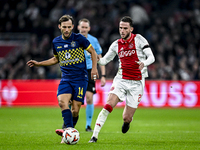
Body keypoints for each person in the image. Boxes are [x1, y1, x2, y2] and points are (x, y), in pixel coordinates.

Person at [26, 14, 99, 143]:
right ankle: (68, 131)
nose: (66, 29)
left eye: (69, 27)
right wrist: (39, 63)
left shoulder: (79, 39)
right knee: (62, 102)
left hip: (80, 79)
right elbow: (56, 59)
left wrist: (94, 69)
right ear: (59, 26)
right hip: (66, 78)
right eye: (64, 27)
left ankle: (68, 130)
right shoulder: (56, 42)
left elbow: (93, 52)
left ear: (72, 27)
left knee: (75, 110)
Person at [88, 16, 155, 143]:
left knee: (126, 118)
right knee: (108, 105)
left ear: (131, 29)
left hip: (137, 83)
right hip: (121, 80)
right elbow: (104, 61)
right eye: (120, 28)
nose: (122, 31)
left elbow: (151, 57)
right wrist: (95, 57)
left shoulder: (139, 39)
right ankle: (94, 136)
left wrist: (144, 63)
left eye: (125, 28)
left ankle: (127, 123)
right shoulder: (116, 44)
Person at [62, 18, 106, 132]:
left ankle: (88, 125)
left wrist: (103, 75)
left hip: (90, 70)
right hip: (75, 71)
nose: (84, 29)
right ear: (78, 27)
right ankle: (67, 121)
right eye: (82, 27)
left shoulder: (94, 40)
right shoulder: (72, 39)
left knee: (90, 97)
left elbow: (100, 58)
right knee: (72, 99)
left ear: (89, 29)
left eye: (86, 27)